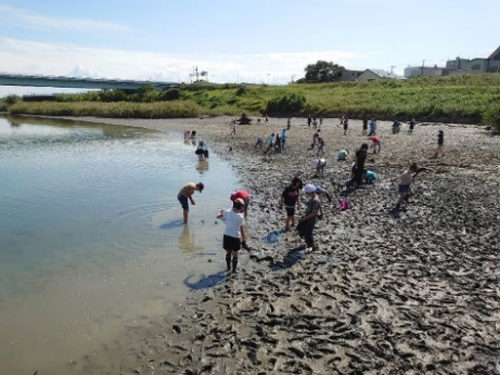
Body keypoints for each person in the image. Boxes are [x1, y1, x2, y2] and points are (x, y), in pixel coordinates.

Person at [216, 198, 248, 273]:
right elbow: (242, 229)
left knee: (228, 252)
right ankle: (233, 270)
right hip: (235, 237)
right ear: (241, 207)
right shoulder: (240, 217)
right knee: (235, 254)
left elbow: (218, 217)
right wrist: (244, 241)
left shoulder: (227, 212)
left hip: (227, 235)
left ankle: (228, 267)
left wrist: (219, 212)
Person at [296, 184, 321, 251]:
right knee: (303, 230)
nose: (306, 194)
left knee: (309, 234)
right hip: (308, 218)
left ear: (311, 192)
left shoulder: (315, 201)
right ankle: (309, 244)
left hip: (310, 220)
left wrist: (304, 219)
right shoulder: (314, 197)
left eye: (307, 192)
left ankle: (313, 248)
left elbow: (314, 213)